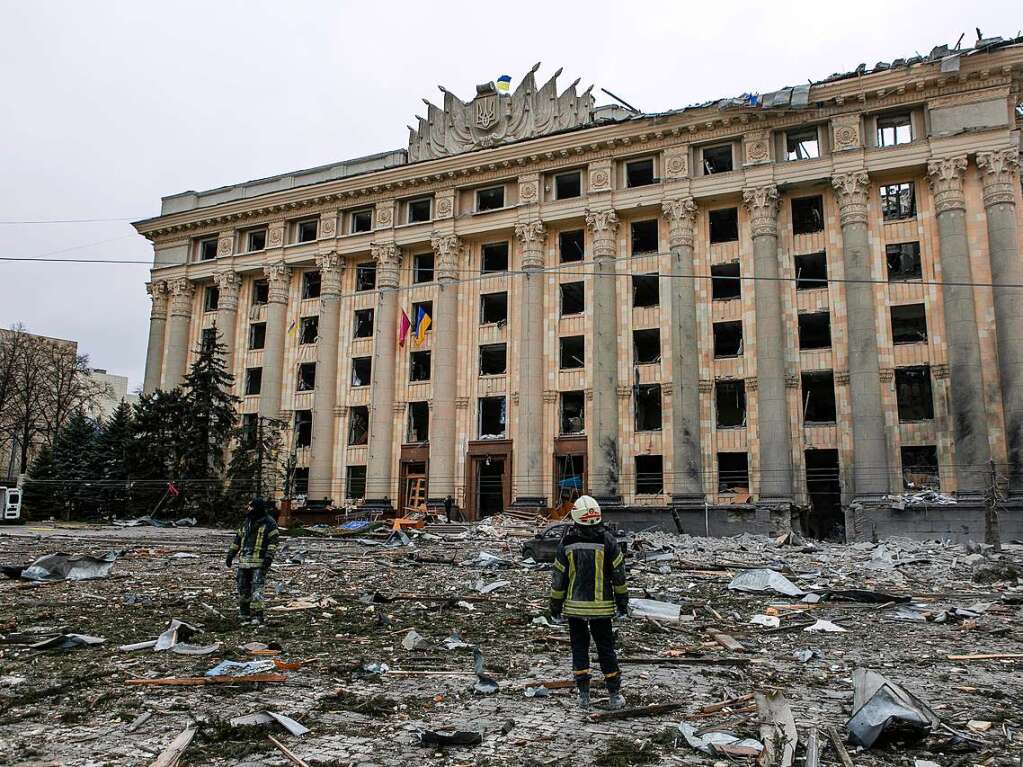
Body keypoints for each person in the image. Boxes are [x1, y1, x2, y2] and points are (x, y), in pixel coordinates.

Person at [549, 495, 628, 710]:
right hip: (602, 609)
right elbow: (619, 577)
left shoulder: (567, 542)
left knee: (579, 649)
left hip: (575, 608)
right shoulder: (608, 541)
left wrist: (554, 607)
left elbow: (559, 580)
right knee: (606, 650)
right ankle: (614, 695)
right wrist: (622, 604)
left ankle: (584, 696)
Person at [225, 497, 280, 624]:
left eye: (251, 506)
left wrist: (268, 557)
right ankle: (244, 614)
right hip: (244, 562)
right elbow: (237, 540)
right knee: (242, 588)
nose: (248, 508)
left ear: (257, 508)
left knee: (257, 589)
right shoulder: (246, 522)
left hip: (259, 562)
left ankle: (257, 616)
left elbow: (274, 542)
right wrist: (230, 555)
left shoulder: (269, 523)